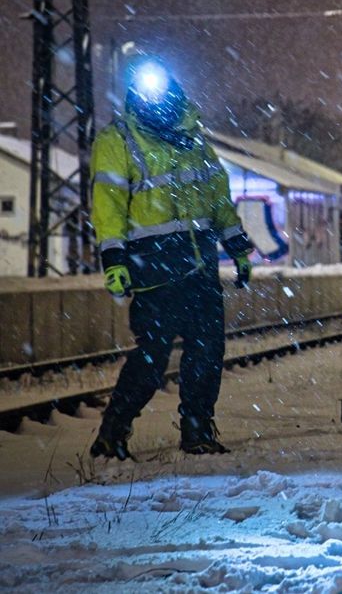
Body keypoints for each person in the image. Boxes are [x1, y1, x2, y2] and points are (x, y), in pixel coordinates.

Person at [89, 57, 255, 460]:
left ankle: (197, 430)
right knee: (152, 357)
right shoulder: (118, 141)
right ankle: (113, 432)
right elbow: (108, 206)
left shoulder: (195, 141)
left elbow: (218, 201)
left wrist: (238, 247)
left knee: (207, 351)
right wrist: (113, 260)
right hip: (153, 269)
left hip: (199, 265)